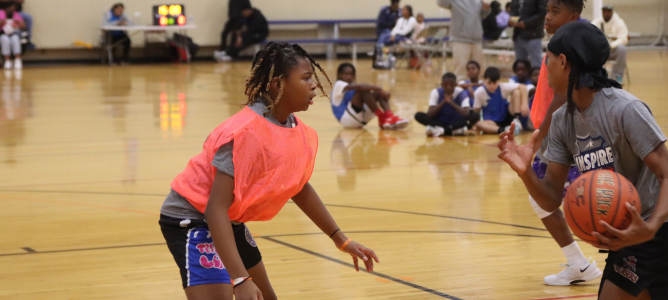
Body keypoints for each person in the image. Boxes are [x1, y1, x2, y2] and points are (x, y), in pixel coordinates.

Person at [159, 42, 379, 300]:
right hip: (191, 217)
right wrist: (240, 279)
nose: (314, 85)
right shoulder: (244, 133)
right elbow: (214, 209)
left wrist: (340, 239)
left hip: (229, 219)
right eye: (306, 78)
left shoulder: (294, 127)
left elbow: (298, 187)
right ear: (277, 84)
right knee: (236, 293)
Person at [499, 22, 668, 300]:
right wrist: (525, 173)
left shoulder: (625, 109)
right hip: (626, 234)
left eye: (548, 58)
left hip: (664, 229)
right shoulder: (562, 120)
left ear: (564, 62)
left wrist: (649, 229)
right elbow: (551, 199)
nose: (544, 67)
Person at [517, 0, 603, 286]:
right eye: (548, 10)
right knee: (547, 197)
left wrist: (539, 134)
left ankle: (585, 262)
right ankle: (580, 263)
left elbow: (561, 96)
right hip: (559, 133)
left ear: (574, 16)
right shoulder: (560, 43)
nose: (547, 16)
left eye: (555, 11)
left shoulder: (571, 48)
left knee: (582, 198)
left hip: (565, 133)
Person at [331, 63, 409, 130]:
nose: (349, 76)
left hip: (359, 118)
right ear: (339, 75)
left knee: (377, 93)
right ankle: (382, 117)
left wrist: (381, 93)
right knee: (363, 90)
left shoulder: (351, 86)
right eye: (346, 74)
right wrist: (380, 89)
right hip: (346, 120)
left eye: (351, 74)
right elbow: (360, 87)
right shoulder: (338, 84)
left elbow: (363, 89)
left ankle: (389, 116)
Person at [415, 72, 480, 136]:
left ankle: (442, 130)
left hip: (456, 121)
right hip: (440, 122)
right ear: (442, 84)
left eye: (451, 85)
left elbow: (466, 114)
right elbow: (430, 115)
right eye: (446, 84)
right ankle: (454, 130)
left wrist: (451, 102)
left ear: (455, 85)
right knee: (418, 115)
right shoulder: (436, 92)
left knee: (476, 115)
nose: (448, 87)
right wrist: (443, 102)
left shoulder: (461, 93)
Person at [437, 0, 490, 78]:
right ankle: (461, 89)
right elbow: (441, 3)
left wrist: (486, 9)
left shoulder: (478, 1)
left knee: (478, 70)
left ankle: (476, 89)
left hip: (477, 40)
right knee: (461, 70)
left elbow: (483, 15)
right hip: (460, 39)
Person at [472, 67, 529, 134]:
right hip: (492, 122)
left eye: (494, 83)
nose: (492, 86)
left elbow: (523, 87)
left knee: (516, 92)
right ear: (484, 81)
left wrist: (524, 104)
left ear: (499, 81)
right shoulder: (479, 92)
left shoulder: (503, 87)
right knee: (479, 124)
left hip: (507, 117)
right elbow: (476, 111)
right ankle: (504, 130)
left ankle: (516, 120)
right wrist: (476, 126)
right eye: (489, 83)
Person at [591, 5, 628, 84]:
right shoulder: (597, 22)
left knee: (622, 49)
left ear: (612, 12)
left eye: (608, 11)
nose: (606, 13)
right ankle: (596, 75)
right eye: (604, 11)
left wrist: (611, 45)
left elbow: (624, 38)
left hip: (613, 50)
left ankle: (617, 76)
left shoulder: (619, 23)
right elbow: (589, 34)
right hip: (601, 50)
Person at [509, 0, 547, 70]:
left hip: (533, 35)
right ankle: (521, 80)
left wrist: (526, 23)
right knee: (520, 64)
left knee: (536, 65)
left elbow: (542, 14)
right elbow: (513, 10)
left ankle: (536, 80)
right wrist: (511, 20)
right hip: (518, 34)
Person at [0, 2, 25, 70]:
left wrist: (17, 24)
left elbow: (23, 25)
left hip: (13, 33)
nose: (12, 8)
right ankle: (7, 60)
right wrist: (2, 22)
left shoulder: (16, 14)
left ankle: (17, 60)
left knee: (15, 39)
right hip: (2, 33)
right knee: (5, 40)